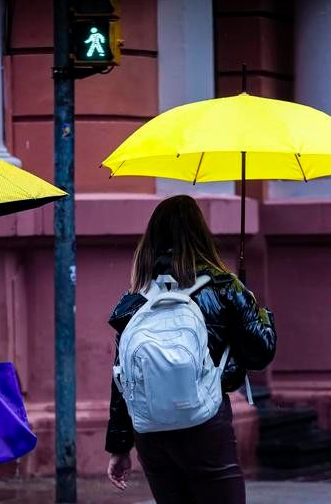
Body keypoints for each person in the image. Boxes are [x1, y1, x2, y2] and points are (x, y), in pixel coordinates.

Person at [105, 195, 277, 504]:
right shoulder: (225, 288)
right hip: (205, 423)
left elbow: (122, 381)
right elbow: (259, 353)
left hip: (151, 433)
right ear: (200, 234)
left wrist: (120, 447)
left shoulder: (134, 300)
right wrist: (257, 308)